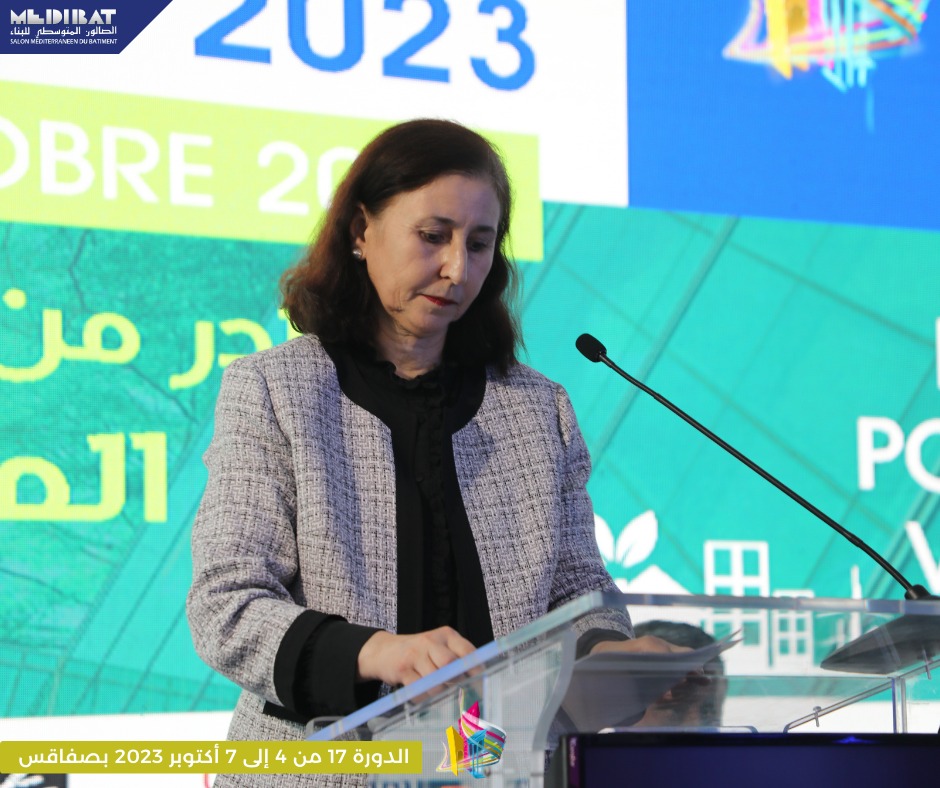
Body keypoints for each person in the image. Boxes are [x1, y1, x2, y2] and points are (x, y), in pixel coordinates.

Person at [187, 119, 683, 787]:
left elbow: (578, 593)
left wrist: (611, 652)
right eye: (433, 236)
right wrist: (374, 652)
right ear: (360, 231)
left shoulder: (538, 410)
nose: (457, 268)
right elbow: (227, 605)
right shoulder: (274, 390)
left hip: (493, 768)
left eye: (479, 245)